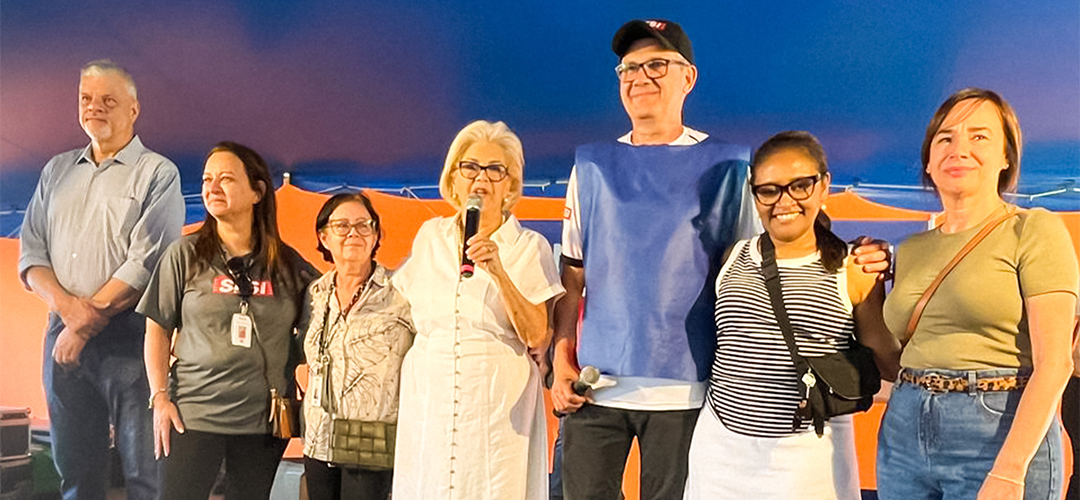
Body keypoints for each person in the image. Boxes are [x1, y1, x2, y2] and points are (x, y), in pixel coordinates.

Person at [550, 20, 892, 499]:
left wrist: (856, 254)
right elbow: (573, 277)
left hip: (688, 392)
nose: (640, 76)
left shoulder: (729, 167)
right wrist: (560, 358)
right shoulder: (588, 167)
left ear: (687, 77)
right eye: (629, 68)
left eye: (656, 65)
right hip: (595, 387)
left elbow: (776, 248)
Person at [877, 88, 1078, 500]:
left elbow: (1055, 364)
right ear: (929, 162)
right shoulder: (910, 249)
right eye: (945, 138)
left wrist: (1009, 469)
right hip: (904, 430)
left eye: (980, 136)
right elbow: (902, 351)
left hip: (997, 426)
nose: (959, 148)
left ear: (1006, 157)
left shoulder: (1033, 229)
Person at [683, 131, 901, 499]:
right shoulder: (732, 257)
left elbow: (888, 362)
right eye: (768, 190)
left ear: (824, 186)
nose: (784, 201)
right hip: (719, 451)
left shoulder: (854, 268)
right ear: (755, 195)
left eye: (800, 185)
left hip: (809, 459)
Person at [18, 59, 184, 500]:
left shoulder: (158, 173)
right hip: (61, 331)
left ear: (133, 109)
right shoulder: (55, 172)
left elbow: (146, 262)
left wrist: (84, 322)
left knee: (143, 474)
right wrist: (71, 318)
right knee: (74, 470)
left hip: (131, 336)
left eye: (108, 101)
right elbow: (32, 255)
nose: (95, 108)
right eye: (86, 99)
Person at [391, 120, 565, 500]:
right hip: (430, 391)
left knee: (494, 484)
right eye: (469, 168)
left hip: (496, 397)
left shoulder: (528, 245)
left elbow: (537, 334)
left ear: (511, 186)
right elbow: (403, 313)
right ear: (453, 180)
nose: (480, 179)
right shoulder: (429, 236)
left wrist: (499, 271)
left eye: (494, 170)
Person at [137, 142, 317, 500]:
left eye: (226, 178)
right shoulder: (183, 254)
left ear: (257, 191)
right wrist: (159, 398)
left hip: (262, 423)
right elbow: (157, 328)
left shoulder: (288, 264)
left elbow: (322, 326)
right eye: (207, 179)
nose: (211, 187)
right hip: (190, 415)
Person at [301, 192, 414, 500]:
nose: (354, 233)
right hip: (318, 437)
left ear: (376, 234)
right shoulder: (315, 293)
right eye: (342, 225)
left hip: (372, 440)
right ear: (324, 237)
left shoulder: (401, 293)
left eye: (364, 225)